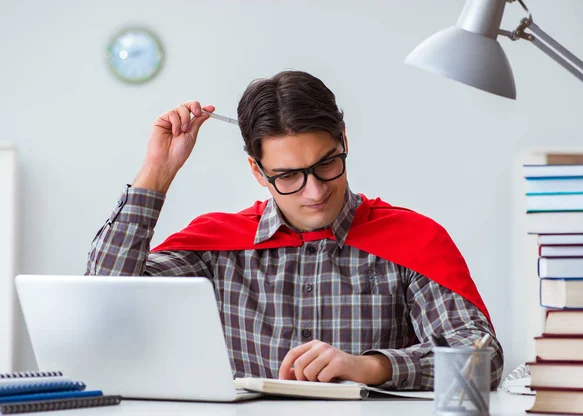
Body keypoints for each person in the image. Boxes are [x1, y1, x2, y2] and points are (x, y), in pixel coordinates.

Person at [86, 70, 503, 390]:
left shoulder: (412, 240)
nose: (315, 191)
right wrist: (157, 172)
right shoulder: (216, 248)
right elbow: (103, 303)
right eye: (287, 175)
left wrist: (369, 366)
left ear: (343, 140)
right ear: (257, 171)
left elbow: (482, 361)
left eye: (326, 163)